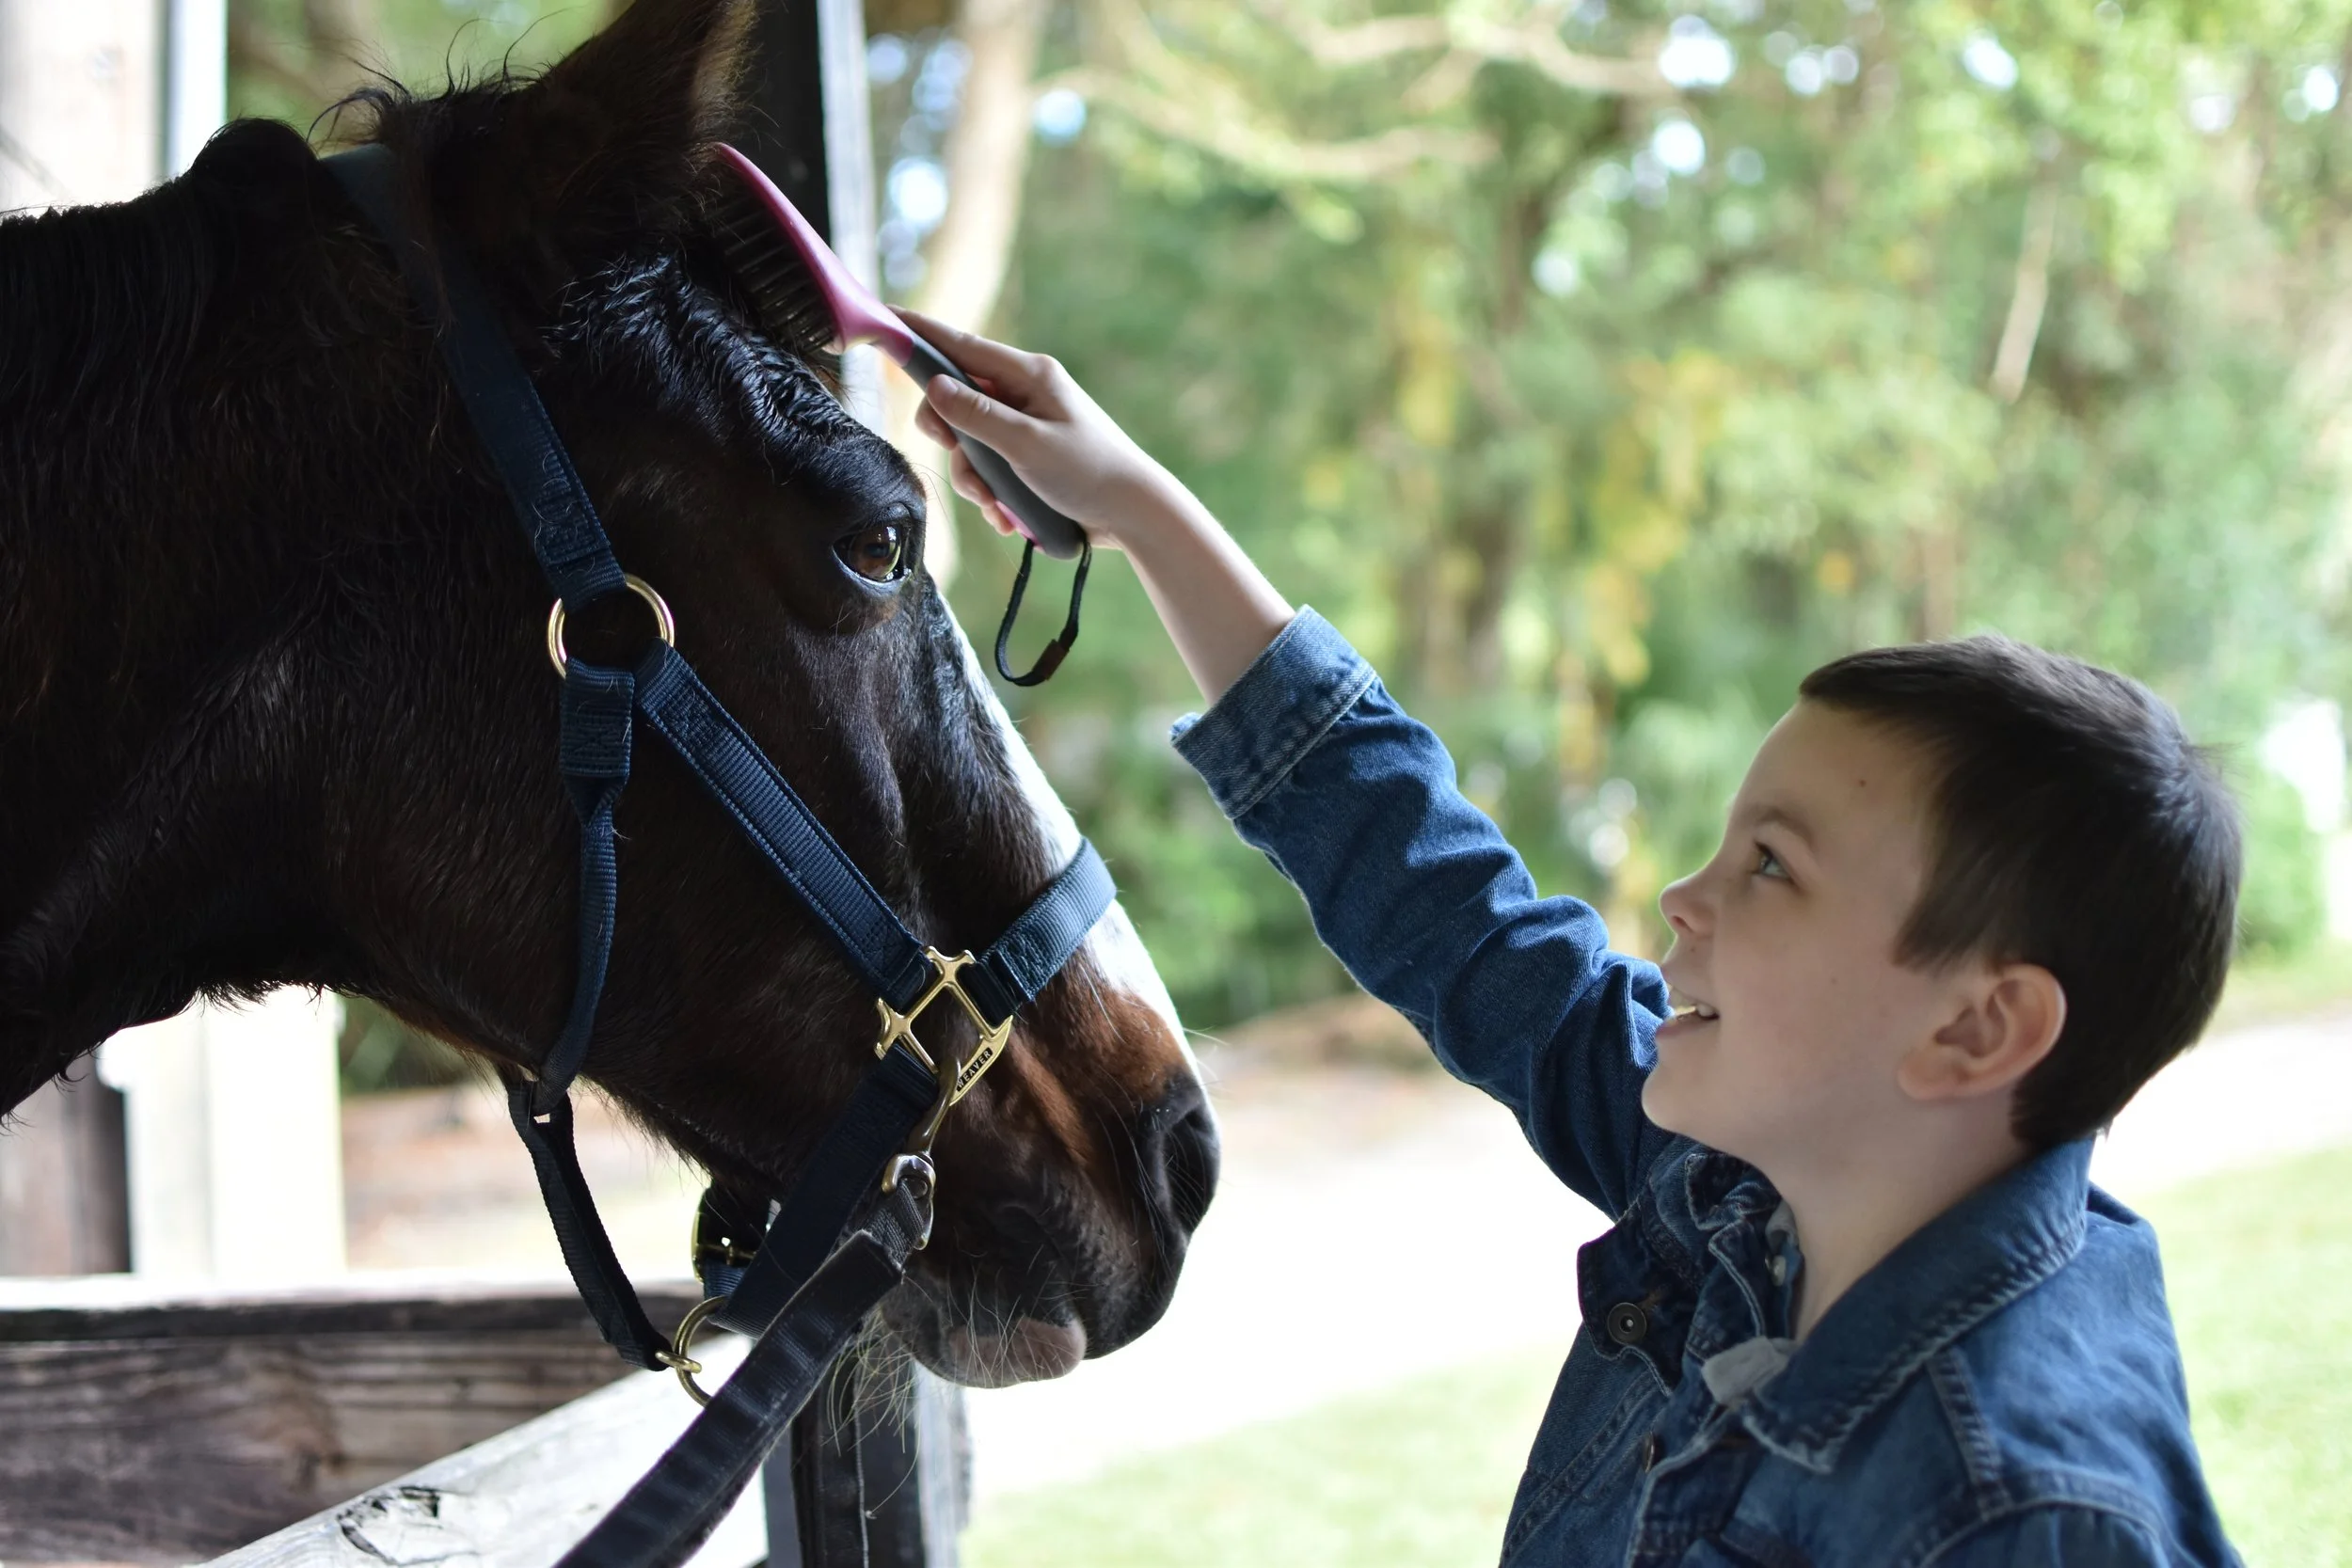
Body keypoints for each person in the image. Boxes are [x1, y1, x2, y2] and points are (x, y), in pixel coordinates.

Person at [908, 310, 2244, 1567]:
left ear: (1974, 1027)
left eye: (1773, 866)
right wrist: (1137, 504)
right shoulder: (1758, 1177)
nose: (1684, 896)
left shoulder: (2021, 1512)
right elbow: (1446, 900)